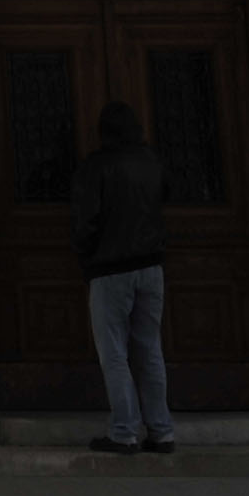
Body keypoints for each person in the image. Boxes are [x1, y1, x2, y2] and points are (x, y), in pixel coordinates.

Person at [69, 97, 177, 454]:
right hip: (151, 266)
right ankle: (161, 430)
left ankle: (124, 431)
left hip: (109, 268)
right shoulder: (151, 162)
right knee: (149, 349)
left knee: (114, 352)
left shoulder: (96, 167)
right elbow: (167, 196)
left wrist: (85, 257)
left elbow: (86, 221)